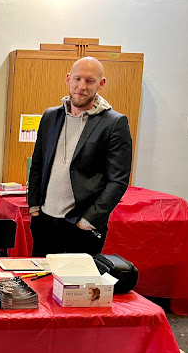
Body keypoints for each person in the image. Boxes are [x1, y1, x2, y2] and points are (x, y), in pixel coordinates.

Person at [28, 57, 132, 256]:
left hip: (81, 226)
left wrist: (89, 220)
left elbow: (118, 181)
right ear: (68, 79)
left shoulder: (114, 123)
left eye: (89, 81)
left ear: (101, 84)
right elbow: (38, 164)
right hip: (45, 221)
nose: (81, 86)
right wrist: (34, 207)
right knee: (40, 284)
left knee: (75, 286)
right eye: (77, 79)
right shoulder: (50, 116)